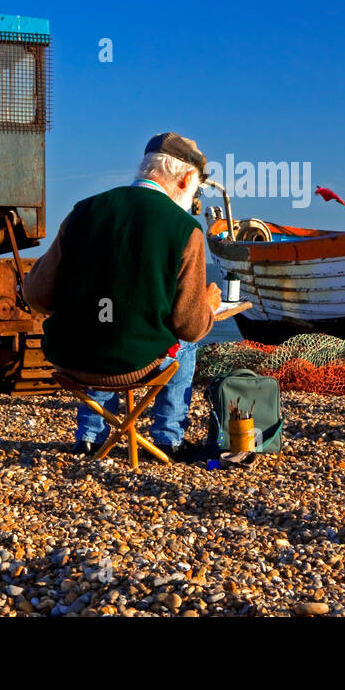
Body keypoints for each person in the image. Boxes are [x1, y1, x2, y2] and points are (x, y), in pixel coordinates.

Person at [22, 133, 222, 460]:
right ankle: (166, 439)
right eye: (197, 188)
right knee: (184, 342)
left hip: (73, 360)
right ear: (187, 179)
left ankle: (90, 437)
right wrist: (208, 308)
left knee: (104, 324)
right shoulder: (185, 229)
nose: (195, 197)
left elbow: (37, 295)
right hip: (137, 367)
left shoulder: (83, 212)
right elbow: (189, 325)